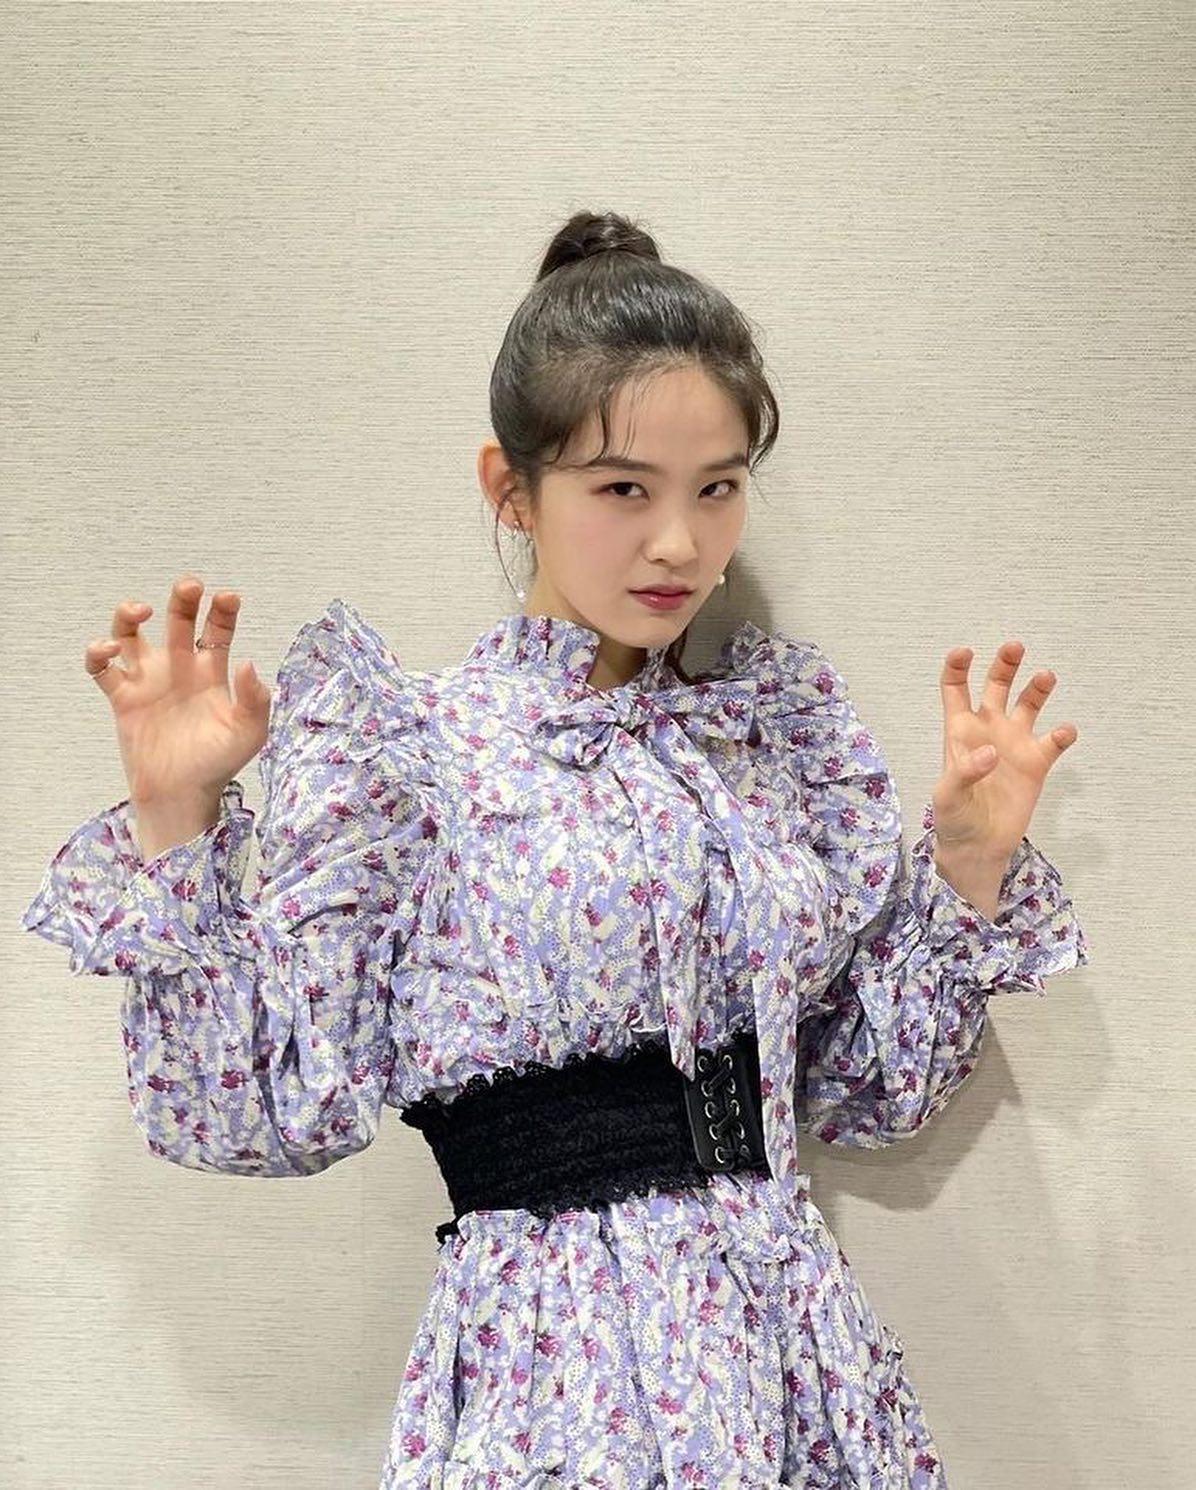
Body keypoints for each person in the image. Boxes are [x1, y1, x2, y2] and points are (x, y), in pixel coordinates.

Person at [19, 210, 1089, 1489]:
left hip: (790, 1362)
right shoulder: (412, 755)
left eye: (717, 486)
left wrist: (966, 863)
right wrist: (175, 815)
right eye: (623, 488)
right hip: (557, 1377)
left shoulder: (760, 751)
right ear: (510, 488)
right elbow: (249, 1110)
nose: (678, 542)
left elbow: (860, 1091)